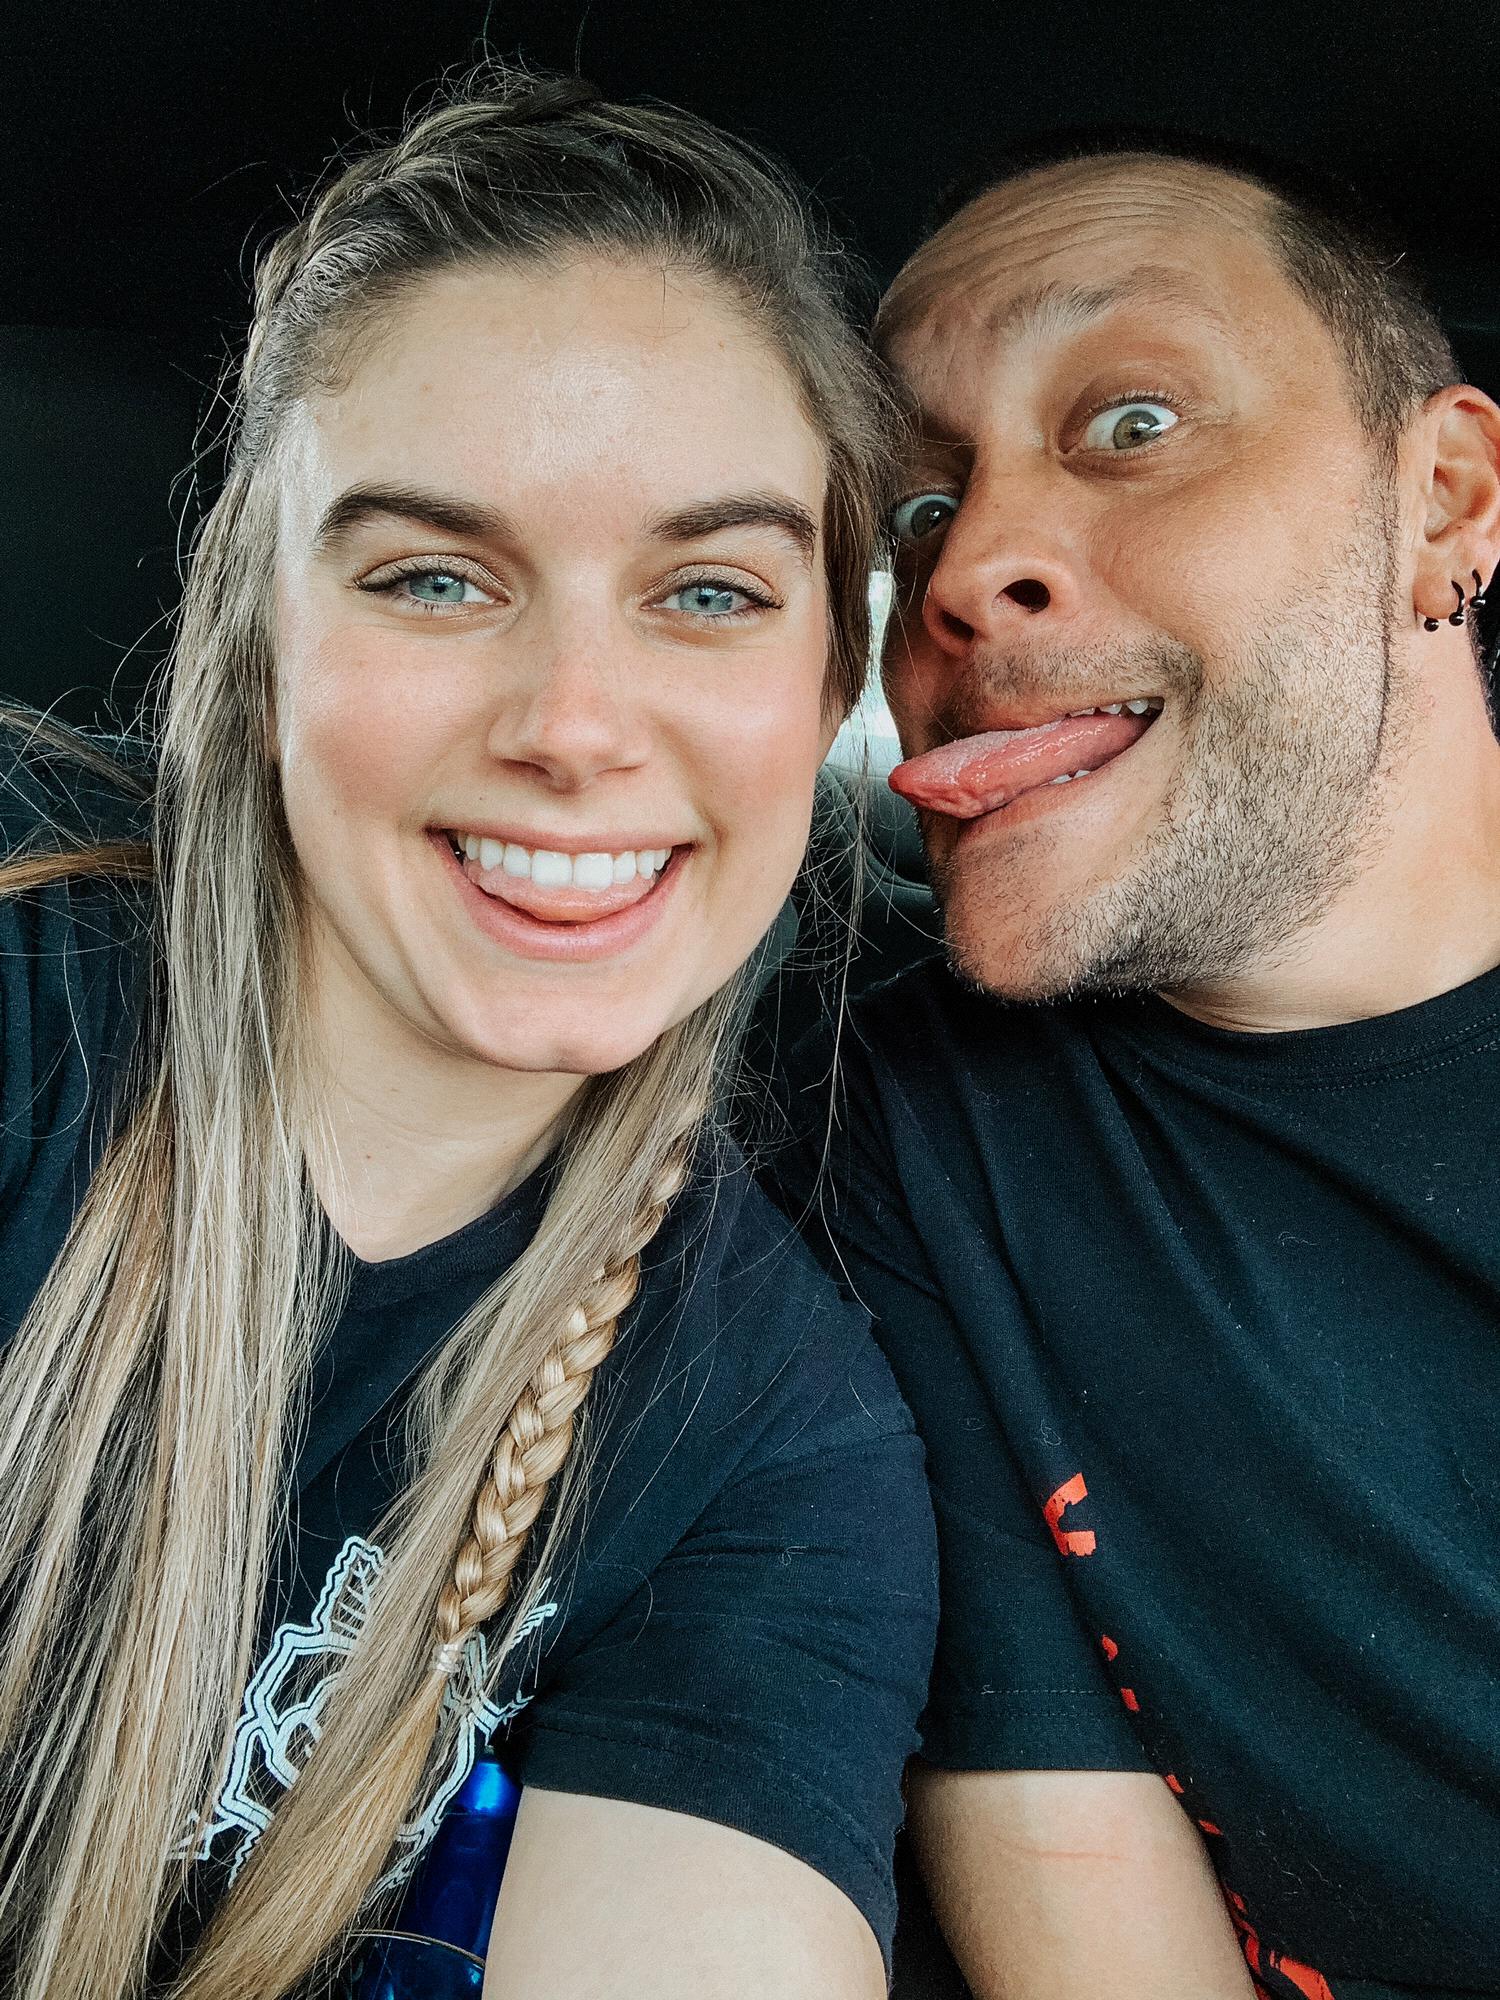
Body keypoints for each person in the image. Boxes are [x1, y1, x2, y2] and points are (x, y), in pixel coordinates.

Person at [0, 71, 939, 2000]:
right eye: (434, 577)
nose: (575, 725)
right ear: (261, 634)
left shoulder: (770, 1440)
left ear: (824, 681)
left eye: (709, 592)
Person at [773, 133, 1500, 2000]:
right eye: (917, 507)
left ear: (1443, 504)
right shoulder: (897, 1135)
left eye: (1135, 423)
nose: (964, 571)